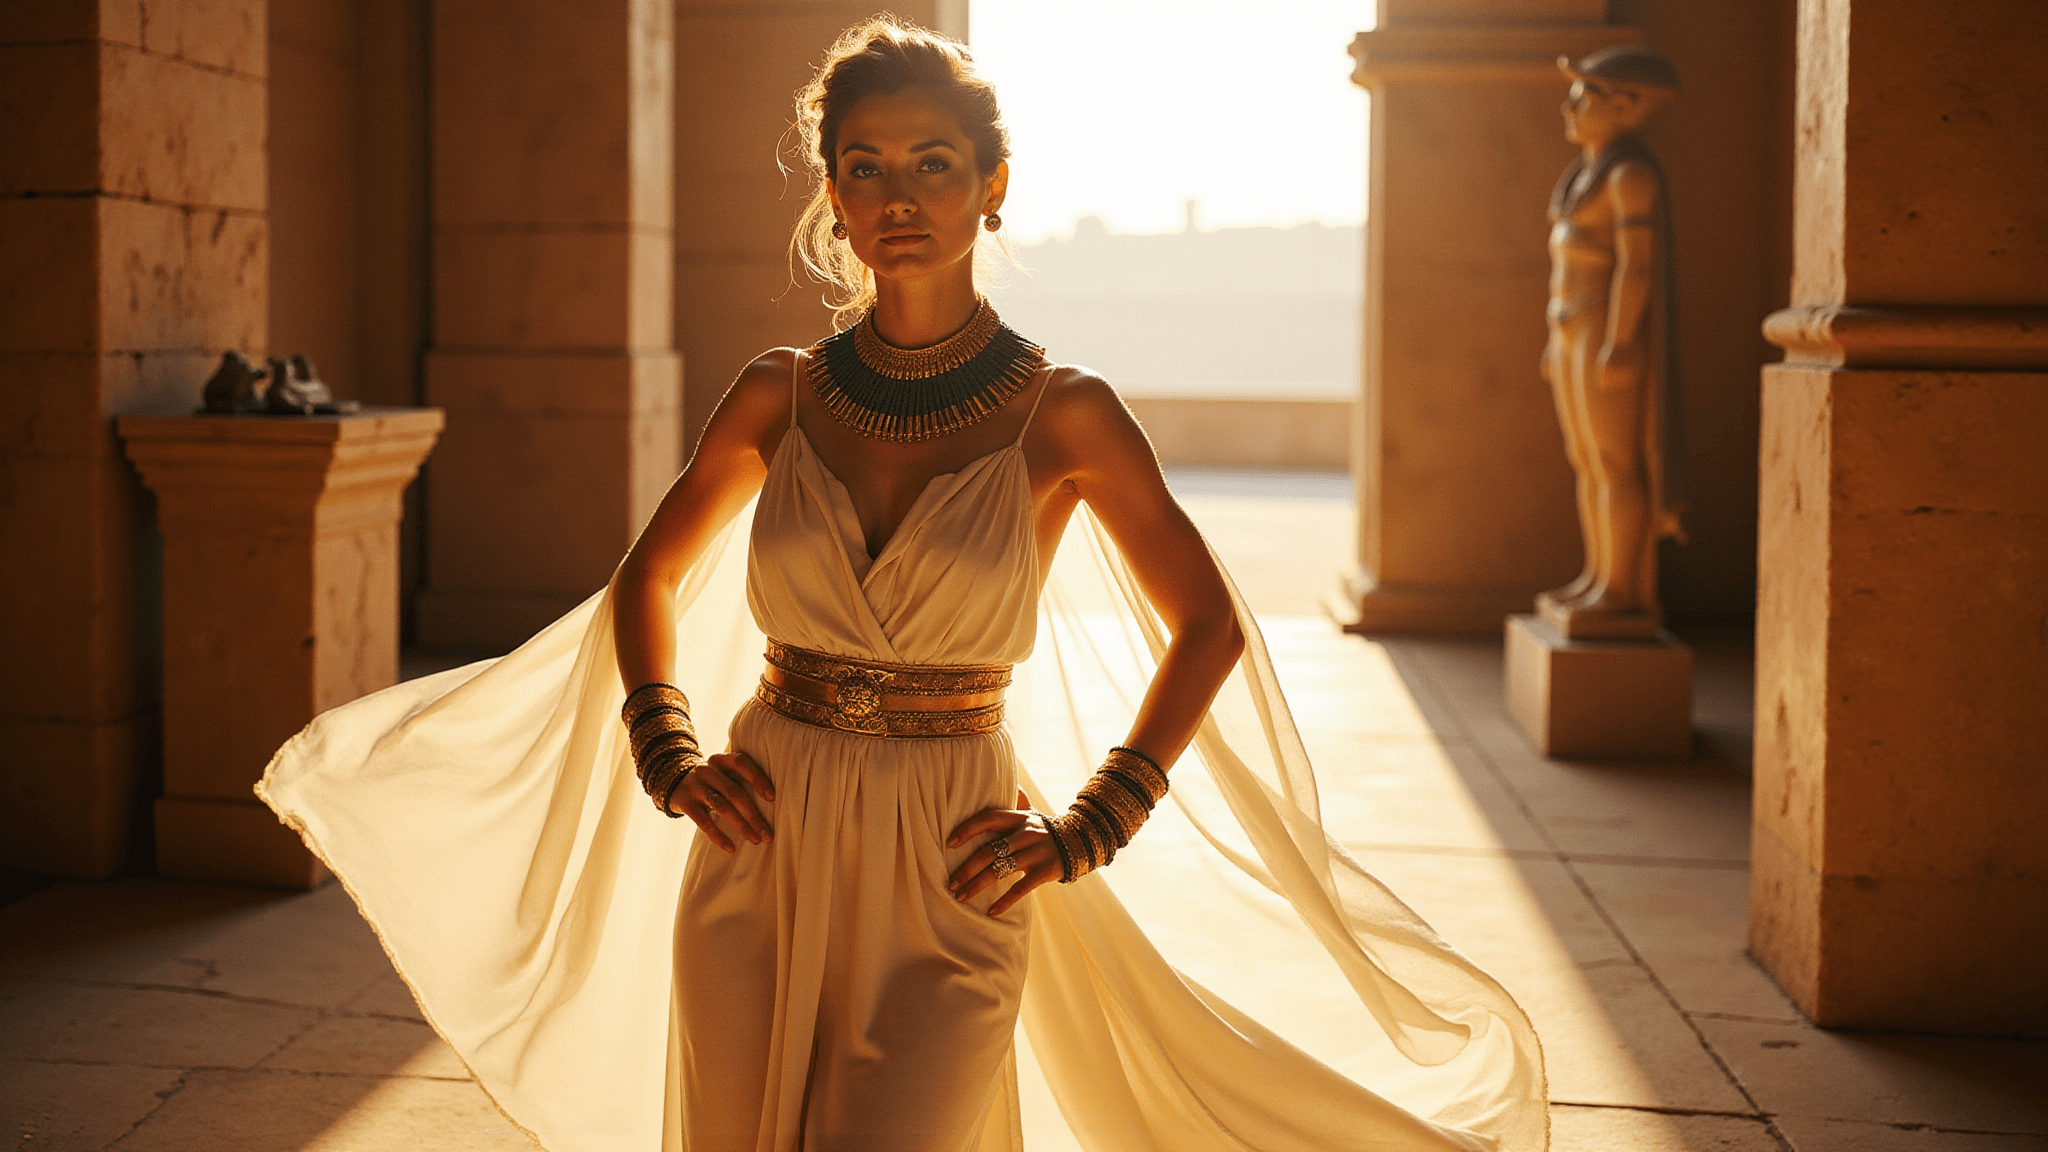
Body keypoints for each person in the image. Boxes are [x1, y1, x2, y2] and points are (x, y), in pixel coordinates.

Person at [261, 18, 1547, 1152]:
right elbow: (649, 571)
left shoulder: (1071, 416)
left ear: (994, 186)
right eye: (864, 166)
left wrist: (1095, 821)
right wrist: (666, 749)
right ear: (831, 192)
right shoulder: (776, 392)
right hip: (760, 833)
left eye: (933, 163)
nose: (898, 195)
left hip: (953, 850)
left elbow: (1206, 624)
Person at [1537, 45, 1684, 639]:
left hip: (1602, 329)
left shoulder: (1628, 175)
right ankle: (1598, 575)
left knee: (1617, 462)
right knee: (1588, 460)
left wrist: (1621, 341)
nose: (1570, 107)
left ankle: (1621, 588)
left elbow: (1637, 268)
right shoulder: (1587, 172)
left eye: (1585, 96)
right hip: (1571, 325)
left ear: (1623, 108)